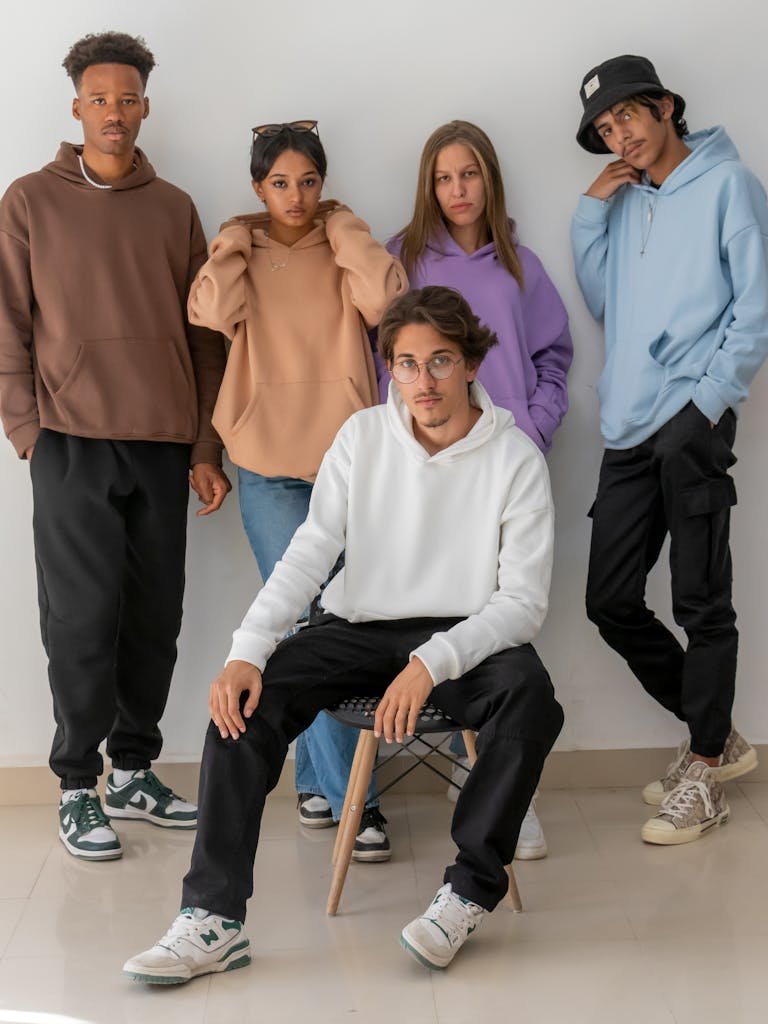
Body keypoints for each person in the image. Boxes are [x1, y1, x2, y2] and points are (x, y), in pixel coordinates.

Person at [123, 285, 563, 983]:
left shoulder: (515, 460)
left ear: (471, 363)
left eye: (442, 360)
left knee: (531, 696)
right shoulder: (362, 437)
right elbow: (310, 550)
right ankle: (212, 919)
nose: (423, 380)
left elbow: (522, 604)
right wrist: (247, 650)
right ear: (390, 366)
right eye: (408, 363)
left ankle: (465, 893)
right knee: (243, 706)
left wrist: (429, 663)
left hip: (465, 633)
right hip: (357, 625)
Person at [0, 32, 229, 859]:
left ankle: (133, 770)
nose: (114, 113)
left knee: (154, 618)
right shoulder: (28, 200)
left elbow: (207, 337)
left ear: (144, 107)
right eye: (99, 99)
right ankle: (75, 782)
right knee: (81, 619)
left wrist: (206, 446)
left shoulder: (175, 209)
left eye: (127, 99)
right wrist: (27, 430)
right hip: (68, 442)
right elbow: (8, 324)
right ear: (76, 107)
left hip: (163, 443)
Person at [187, 120, 407, 861]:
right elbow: (210, 313)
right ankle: (356, 803)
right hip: (266, 462)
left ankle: (323, 788)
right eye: (279, 183)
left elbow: (385, 302)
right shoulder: (243, 249)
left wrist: (344, 226)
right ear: (258, 186)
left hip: (345, 462)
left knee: (338, 625)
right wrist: (232, 241)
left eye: (308, 181)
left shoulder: (341, 242)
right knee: (299, 628)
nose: (295, 195)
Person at [572, 54, 768, 845]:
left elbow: (756, 307)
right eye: (606, 128)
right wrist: (590, 214)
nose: (620, 135)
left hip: (692, 420)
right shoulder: (623, 202)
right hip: (627, 425)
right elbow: (601, 300)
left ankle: (704, 768)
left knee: (700, 600)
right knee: (609, 599)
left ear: (664, 107)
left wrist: (707, 402)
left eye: (628, 117)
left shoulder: (729, 184)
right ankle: (713, 741)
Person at [383, 119, 573, 858]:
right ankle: (472, 767)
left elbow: (554, 355)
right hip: (434, 471)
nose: (457, 190)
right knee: (449, 604)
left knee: (512, 615)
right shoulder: (408, 260)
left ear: (489, 179)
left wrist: (538, 424)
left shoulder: (520, 266)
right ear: (428, 186)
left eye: (470, 174)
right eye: (443, 177)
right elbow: (389, 370)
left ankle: (496, 785)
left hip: (510, 464)